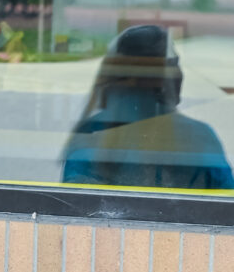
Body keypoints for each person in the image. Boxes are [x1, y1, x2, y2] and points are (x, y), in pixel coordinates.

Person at [62, 24, 234, 191]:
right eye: (171, 64)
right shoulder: (199, 137)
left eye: (176, 64)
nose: (178, 73)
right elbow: (225, 204)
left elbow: (72, 206)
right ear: (145, 78)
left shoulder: (89, 133)